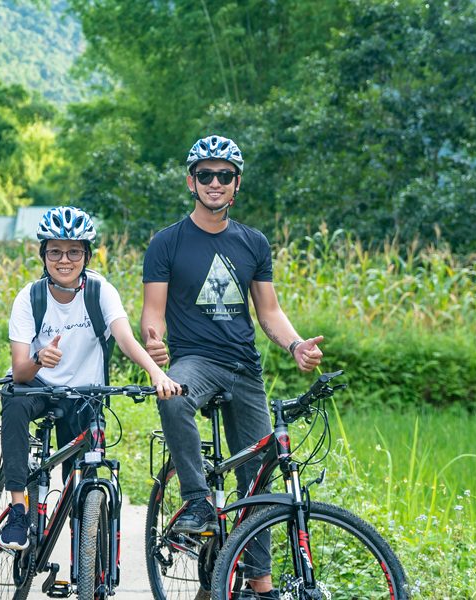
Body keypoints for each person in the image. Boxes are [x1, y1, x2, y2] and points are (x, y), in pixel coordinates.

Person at [140, 134, 324, 600]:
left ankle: (258, 582)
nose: (215, 183)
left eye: (225, 175)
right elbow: (152, 312)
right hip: (195, 361)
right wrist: (154, 344)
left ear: (236, 184)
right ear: (191, 182)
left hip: (244, 367)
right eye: (206, 175)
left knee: (259, 475)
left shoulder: (252, 242)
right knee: (173, 394)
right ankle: (197, 502)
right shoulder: (167, 242)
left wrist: (296, 345)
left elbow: (269, 313)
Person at [0, 206, 182, 550]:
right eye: (55, 251)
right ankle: (19, 507)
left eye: (74, 252)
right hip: (40, 388)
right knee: (14, 399)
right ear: (43, 254)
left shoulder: (100, 292)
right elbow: (21, 370)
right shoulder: (29, 297)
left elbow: (125, 339)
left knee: (82, 481)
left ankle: (80, 560)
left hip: (86, 396)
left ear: (86, 255)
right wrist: (39, 359)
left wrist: (156, 373)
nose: (64, 260)